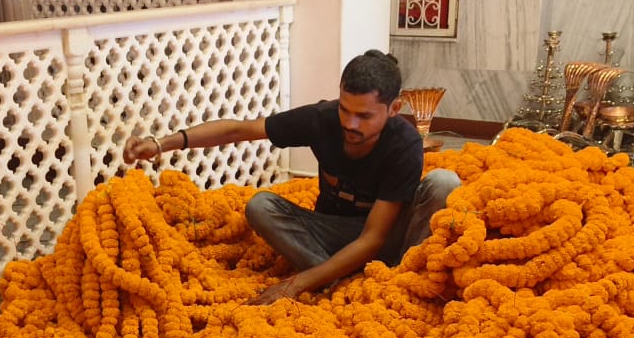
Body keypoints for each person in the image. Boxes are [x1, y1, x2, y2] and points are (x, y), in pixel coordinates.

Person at [123, 50, 461, 304]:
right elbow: (240, 129)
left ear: (394, 109)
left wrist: (296, 284)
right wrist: (161, 143)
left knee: (444, 183)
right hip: (330, 235)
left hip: (387, 238)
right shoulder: (322, 119)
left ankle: (399, 278)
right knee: (260, 205)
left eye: (364, 116)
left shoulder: (404, 144)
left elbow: (373, 238)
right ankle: (333, 279)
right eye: (345, 109)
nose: (350, 124)